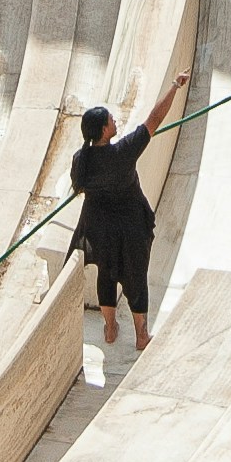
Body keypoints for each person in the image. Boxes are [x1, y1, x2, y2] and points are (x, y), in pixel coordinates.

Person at [69, 69, 189, 350]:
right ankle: (141, 336)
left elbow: (80, 187)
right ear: (103, 131)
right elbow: (154, 120)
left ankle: (110, 328)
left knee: (106, 274)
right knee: (136, 277)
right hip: (129, 224)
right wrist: (174, 85)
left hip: (99, 227)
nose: (114, 120)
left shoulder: (82, 159)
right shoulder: (122, 152)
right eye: (110, 120)